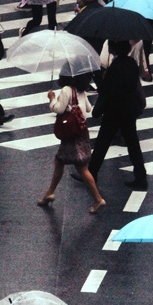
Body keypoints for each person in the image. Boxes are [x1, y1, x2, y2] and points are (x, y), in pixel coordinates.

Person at [38, 74, 105, 213]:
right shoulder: (80, 90)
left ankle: (98, 199)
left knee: (81, 168)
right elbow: (88, 108)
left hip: (71, 134)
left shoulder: (66, 90)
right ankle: (49, 193)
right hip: (81, 131)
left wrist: (52, 99)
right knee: (60, 161)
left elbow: (58, 109)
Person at [88, 39, 147, 190]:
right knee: (133, 144)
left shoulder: (116, 66)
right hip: (129, 110)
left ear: (114, 48)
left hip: (114, 111)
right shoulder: (131, 63)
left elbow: (108, 90)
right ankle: (141, 176)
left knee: (102, 142)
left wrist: (98, 79)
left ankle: (91, 173)